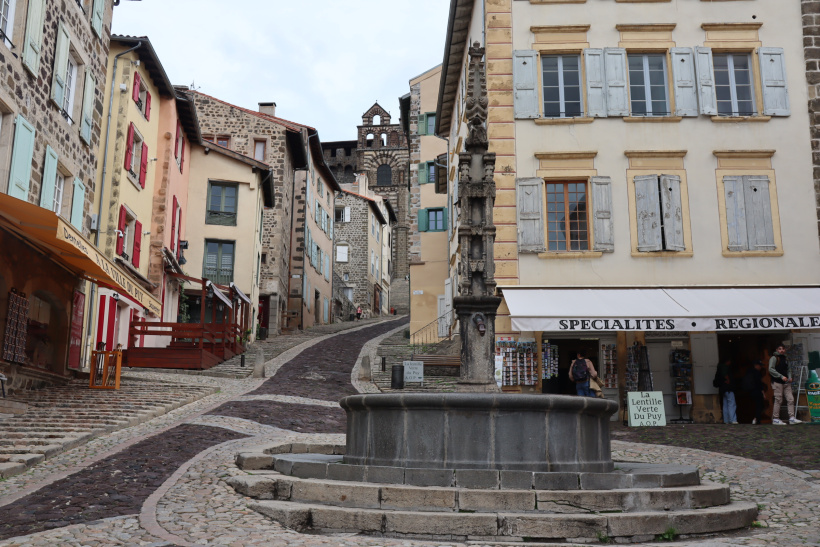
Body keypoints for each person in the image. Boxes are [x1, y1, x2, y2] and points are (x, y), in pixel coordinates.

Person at [769, 345, 802, 425]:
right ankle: (776, 418)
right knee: (778, 400)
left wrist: (790, 377)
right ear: (777, 350)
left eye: (783, 349)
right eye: (780, 349)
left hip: (786, 382)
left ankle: (792, 418)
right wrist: (780, 376)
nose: (782, 350)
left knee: (790, 399)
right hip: (777, 382)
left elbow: (789, 369)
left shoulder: (786, 358)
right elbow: (770, 369)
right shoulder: (774, 358)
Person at [743, 360, 767, 425]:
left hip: (751, 391)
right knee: (760, 405)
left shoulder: (749, 372)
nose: (761, 367)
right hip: (757, 391)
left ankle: (756, 418)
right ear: (756, 365)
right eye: (760, 366)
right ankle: (757, 419)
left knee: (756, 405)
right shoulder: (757, 373)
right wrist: (763, 393)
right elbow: (759, 384)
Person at [716, 358, 738, 424]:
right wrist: (728, 380)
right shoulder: (725, 367)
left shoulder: (719, 367)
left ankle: (726, 420)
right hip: (728, 388)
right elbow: (726, 375)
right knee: (732, 404)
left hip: (723, 388)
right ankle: (733, 420)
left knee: (725, 405)